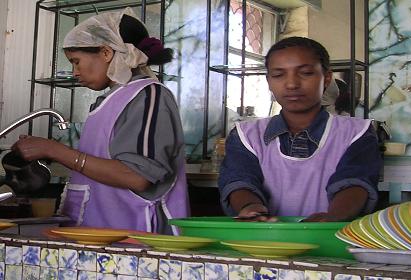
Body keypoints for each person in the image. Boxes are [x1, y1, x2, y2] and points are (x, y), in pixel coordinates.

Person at [12, 8, 189, 234]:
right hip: (100, 238)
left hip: (136, 242)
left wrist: (55, 150)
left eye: (76, 61)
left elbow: (138, 176)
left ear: (106, 52)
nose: (75, 71)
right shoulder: (109, 101)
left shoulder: (148, 95)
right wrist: (47, 151)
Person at [218, 37, 382, 222]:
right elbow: (240, 181)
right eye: (279, 75)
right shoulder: (246, 135)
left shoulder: (356, 133)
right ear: (269, 81)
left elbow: (356, 182)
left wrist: (333, 217)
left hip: (333, 240)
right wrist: (250, 207)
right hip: (264, 242)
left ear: (326, 78)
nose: (291, 84)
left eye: (305, 73)